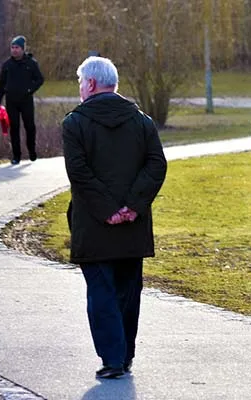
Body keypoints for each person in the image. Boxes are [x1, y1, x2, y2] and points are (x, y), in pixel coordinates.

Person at [61, 56, 167, 379]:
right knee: (128, 290)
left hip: (93, 226)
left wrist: (108, 210)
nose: (80, 88)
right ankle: (125, 354)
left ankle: (113, 358)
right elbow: (156, 165)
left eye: (81, 82)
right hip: (133, 227)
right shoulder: (142, 122)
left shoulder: (74, 124)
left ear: (90, 84)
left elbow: (79, 173)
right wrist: (132, 206)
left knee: (101, 292)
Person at [0, 35, 44, 164]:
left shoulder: (31, 63)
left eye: (17, 48)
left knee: (30, 127)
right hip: (11, 101)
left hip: (26, 100)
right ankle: (16, 156)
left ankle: (32, 151)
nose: (14, 50)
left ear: (22, 49)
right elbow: (2, 84)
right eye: (12, 47)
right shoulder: (7, 65)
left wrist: (30, 89)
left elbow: (40, 79)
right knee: (14, 128)